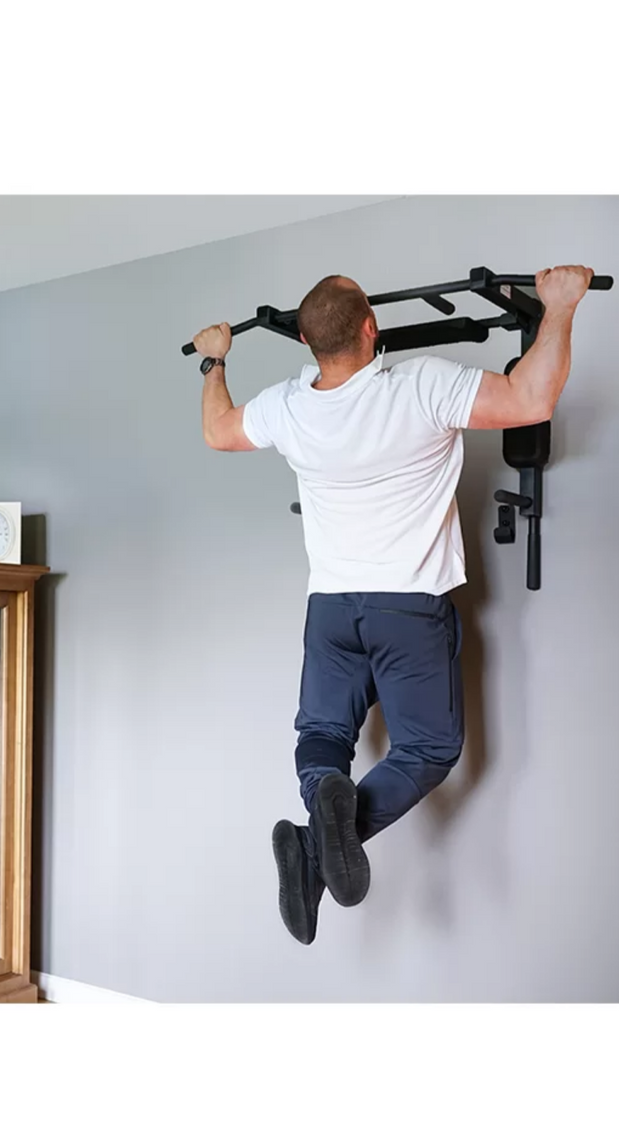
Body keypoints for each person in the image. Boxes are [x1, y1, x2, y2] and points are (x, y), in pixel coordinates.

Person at [193, 265, 595, 944]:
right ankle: (318, 848)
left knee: (321, 735)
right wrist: (559, 307)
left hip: (329, 607)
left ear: (308, 345)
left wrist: (214, 359)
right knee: (430, 747)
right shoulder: (421, 385)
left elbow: (219, 431)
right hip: (406, 606)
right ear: (371, 328)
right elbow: (531, 398)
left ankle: (316, 823)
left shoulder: (287, 405)